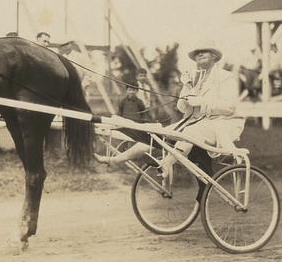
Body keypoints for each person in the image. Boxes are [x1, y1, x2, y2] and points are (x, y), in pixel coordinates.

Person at [95, 40, 244, 179]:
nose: (199, 54)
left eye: (204, 51)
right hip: (199, 124)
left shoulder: (226, 77)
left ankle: (167, 163)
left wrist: (200, 101)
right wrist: (187, 86)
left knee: (190, 133)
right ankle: (116, 160)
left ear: (214, 56)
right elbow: (182, 108)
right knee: (157, 133)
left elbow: (229, 108)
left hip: (224, 125)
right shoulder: (197, 80)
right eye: (197, 52)